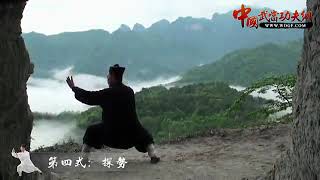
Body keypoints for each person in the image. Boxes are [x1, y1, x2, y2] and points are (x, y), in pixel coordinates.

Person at [66, 64, 160, 164]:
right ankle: (153, 155)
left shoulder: (107, 93)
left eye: (109, 76)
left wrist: (74, 88)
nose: (107, 78)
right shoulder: (129, 92)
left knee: (91, 131)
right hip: (131, 135)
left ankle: (83, 159)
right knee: (144, 134)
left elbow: (90, 97)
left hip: (111, 134)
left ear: (113, 78)